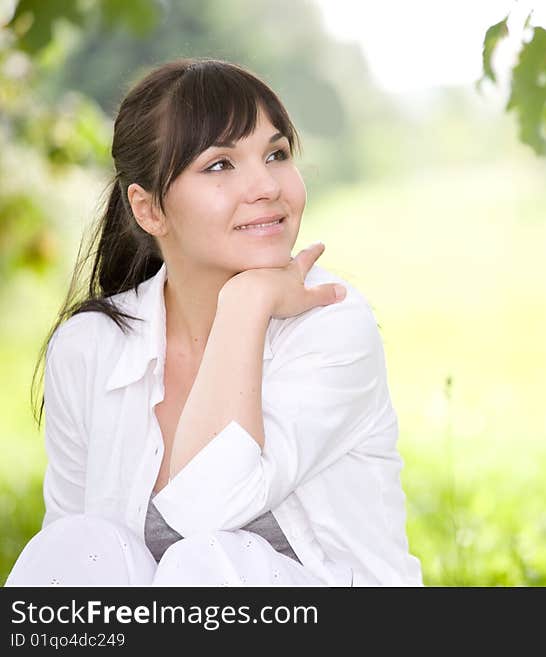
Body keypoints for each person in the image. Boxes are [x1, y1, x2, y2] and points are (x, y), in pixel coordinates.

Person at [4, 58, 423, 586]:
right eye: (220, 165)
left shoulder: (332, 325)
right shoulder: (89, 347)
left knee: (207, 564)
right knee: (80, 543)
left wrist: (245, 307)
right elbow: (67, 569)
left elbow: (205, 512)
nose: (267, 185)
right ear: (149, 209)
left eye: (276, 154)